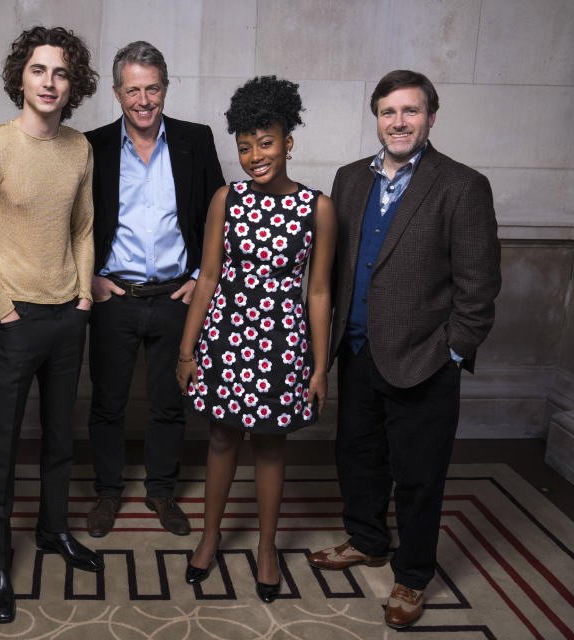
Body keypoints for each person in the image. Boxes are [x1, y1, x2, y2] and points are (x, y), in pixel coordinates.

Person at [307, 70, 500, 629]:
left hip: (426, 361)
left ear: (431, 118)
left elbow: (479, 287)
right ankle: (368, 541)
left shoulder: (462, 185)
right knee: (358, 458)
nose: (398, 122)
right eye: (389, 112)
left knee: (419, 476)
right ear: (377, 118)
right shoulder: (348, 180)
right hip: (358, 352)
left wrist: (453, 353)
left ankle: (413, 576)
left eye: (410, 112)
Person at [0, 26, 100, 625]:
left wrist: (85, 297)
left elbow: (83, 230)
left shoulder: (80, 148)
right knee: (2, 448)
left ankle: (53, 531)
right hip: (10, 323)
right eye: (39, 70)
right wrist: (5, 310)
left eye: (61, 73)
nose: (49, 82)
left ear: (74, 85)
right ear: (21, 76)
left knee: (62, 442)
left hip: (68, 318)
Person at [176, 76, 336, 603]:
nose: (254, 156)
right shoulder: (228, 199)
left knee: (270, 444)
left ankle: (267, 547)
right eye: (244, 147)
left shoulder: (318, 207)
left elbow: (318, 292)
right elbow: (206, 278)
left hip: (282, 346)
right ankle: (209, 535)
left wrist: (317, 367)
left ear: (288, 141)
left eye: (265, 143)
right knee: (221, 438)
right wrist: (187, 347)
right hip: (226, 339)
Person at [84, 41, 224, 538]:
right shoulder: (92, 144)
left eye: (153, 89)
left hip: (174, 297)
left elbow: (217, 217)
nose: (143, 100)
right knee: (107, 402)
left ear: (165, 88)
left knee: (169, 402)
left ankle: (162, 492)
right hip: (114, 296)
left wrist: (195, 281)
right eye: (133, 90)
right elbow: (74, 221)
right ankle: (107, 493)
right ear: (118, 93)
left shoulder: (195, 140)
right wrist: (91, 278)